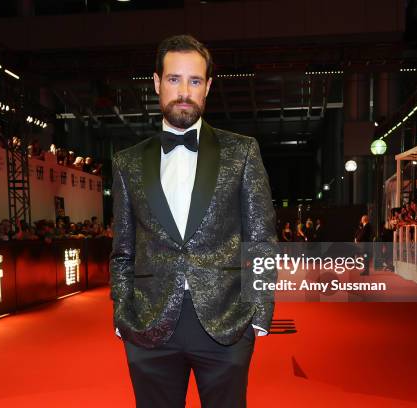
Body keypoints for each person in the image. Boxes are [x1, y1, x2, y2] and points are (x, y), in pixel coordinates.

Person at [110, 34, 276, 408]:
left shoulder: (242, 152)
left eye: (195, 81)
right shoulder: (126, 163)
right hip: (148, 328)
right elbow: (122, 250)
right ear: (156, 82)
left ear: (208, 88)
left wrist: (260, 313)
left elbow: (262, 240)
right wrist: (122, 313)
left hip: (226, 327)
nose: (184, 91)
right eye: (174, 79)